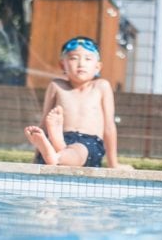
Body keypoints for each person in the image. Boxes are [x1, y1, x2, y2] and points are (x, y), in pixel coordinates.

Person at [24, 36, 122, 168]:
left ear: (97, 67)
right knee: (59, 146)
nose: (81, 63)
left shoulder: (101, 86)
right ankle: (57, 145)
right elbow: (45, 121)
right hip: (58, 138)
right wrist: (36, 156)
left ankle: (57, 152)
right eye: (73, 58)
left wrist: (113, 163)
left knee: (78, 150)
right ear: (62, 65)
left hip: (88, 141)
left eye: (88, 59)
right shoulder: (57, 86)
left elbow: (109, 127)